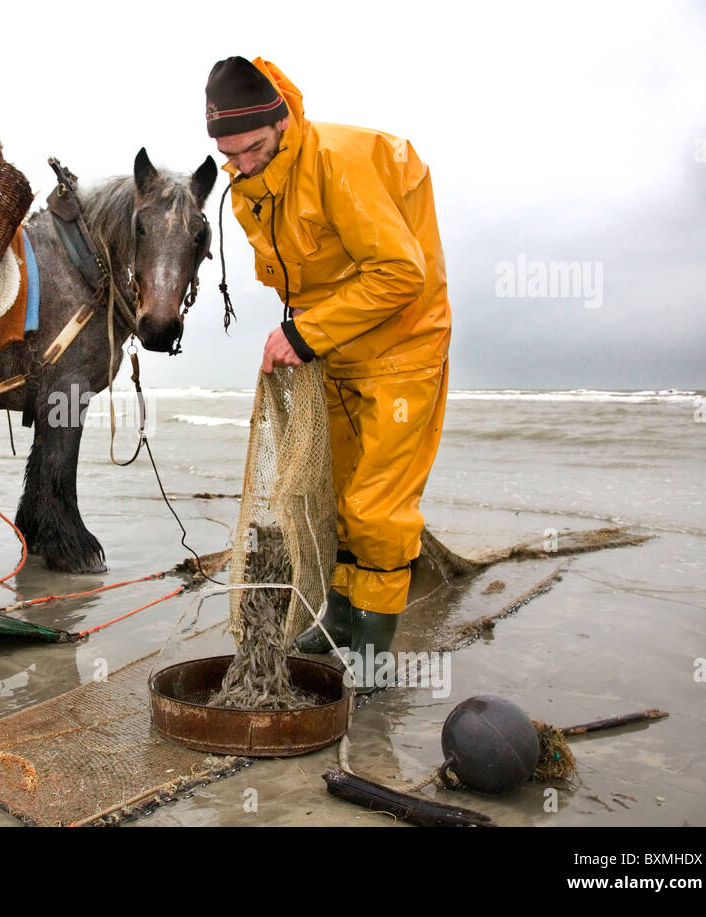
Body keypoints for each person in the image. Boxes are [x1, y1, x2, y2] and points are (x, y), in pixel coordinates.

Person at [206, 56, 452, 692]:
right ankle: (341, 620)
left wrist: (301, 334)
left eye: (253, 149)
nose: (243, 166)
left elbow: (402, 273)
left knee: (377, 507)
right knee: (337, 496)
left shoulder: (339, 162)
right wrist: (302, 340)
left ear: (282, 119)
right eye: (231, 156)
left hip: (402, 348)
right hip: (335, 352)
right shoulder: (251, 191)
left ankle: (371, 655)